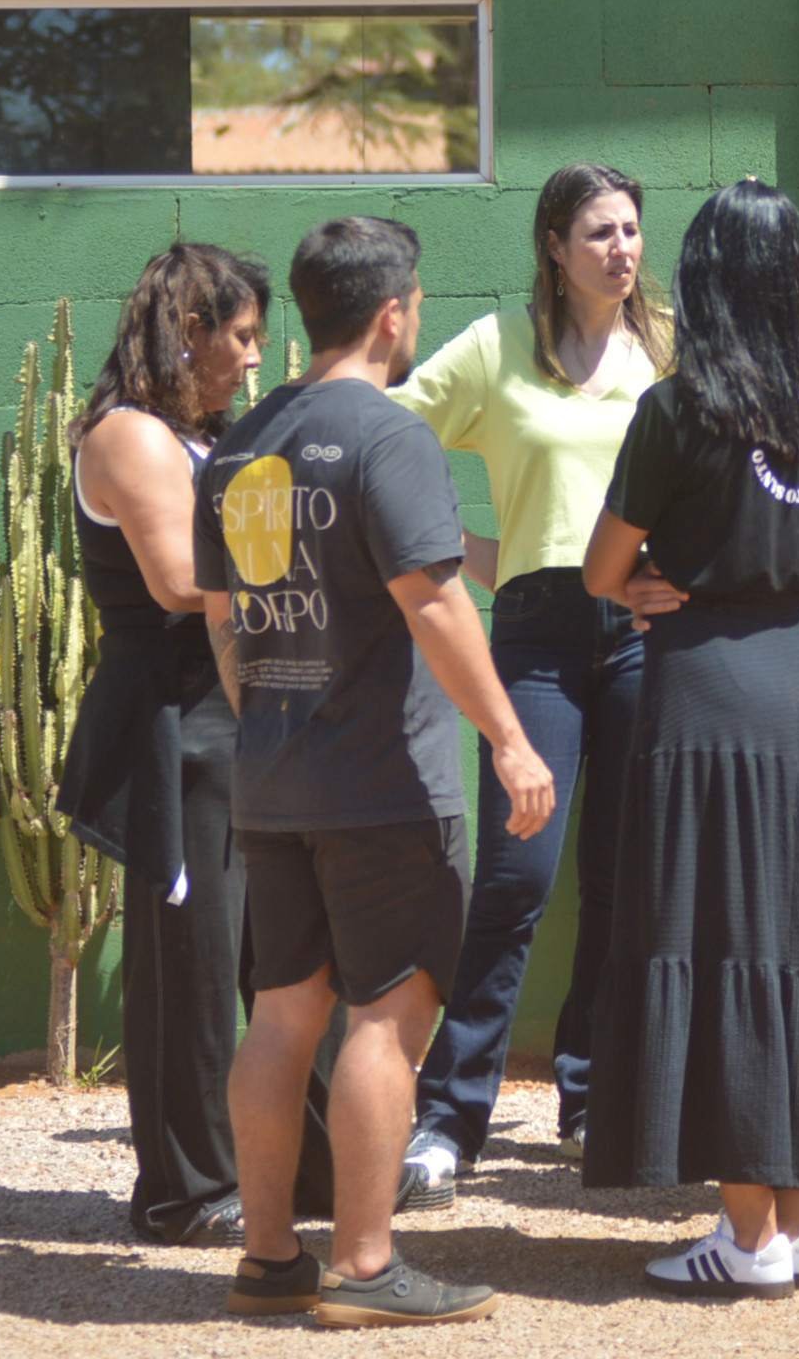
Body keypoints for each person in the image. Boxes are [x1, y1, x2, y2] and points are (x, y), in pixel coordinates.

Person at [202, 216, 558, 1330]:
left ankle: (269, 1260)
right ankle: (365, 1267)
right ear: (395, 313)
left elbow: (224, 623)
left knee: (281, 1013)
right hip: (381, 787)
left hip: (271, 777)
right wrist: (508, 735)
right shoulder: (386, 435)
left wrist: (265, 723)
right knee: (387, 1017)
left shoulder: (241, 439)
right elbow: (438, 599)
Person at [580, 179, 799, 1300]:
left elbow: (607, 572)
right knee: (798, 940)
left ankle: (745, 1238)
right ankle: (796, 1221)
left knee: (713, 938)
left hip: (705, 689)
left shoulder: (680, 405)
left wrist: (667, 584)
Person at [393, 164, 668, 1201]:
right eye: (600, 231)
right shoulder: (495, 347)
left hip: (644, 630)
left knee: (621, 874)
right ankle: (450, 1118)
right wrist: (465, 548)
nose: (622, 249)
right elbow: (392, 428)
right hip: (540, 629)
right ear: (555, 244)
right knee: (519, 877)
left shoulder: (666, 348)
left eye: (633, 230)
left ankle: (591, 1094)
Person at [56, 241, 331, 1249]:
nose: (256, 357)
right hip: (177, 727)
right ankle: (185, 1191)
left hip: (249, 716)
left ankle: (306, 1167)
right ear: (189, 334)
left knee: (286, 956)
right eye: (244, 336)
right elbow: (181, 580)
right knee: (194, 969)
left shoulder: (213, 440)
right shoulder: (128, 438)